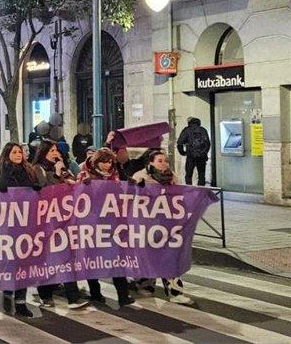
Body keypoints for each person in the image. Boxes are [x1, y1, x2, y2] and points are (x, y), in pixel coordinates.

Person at [131, 150, 194, 305]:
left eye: (165, 160)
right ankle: (145, 284)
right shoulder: (140, 176)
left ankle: (175, 292)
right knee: (149, 257)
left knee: (169, 258)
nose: (164, 163)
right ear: (150, 163)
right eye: (160, 160)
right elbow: (132, 197)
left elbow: (180, 198)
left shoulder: (172, 177)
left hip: (168, 224)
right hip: (148, 225)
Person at [0, 142, 39, 317]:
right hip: (5, 224)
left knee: (23, 261)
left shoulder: (29, 171)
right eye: (14, 152)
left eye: (20, 152)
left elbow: (37, 190)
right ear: (7, 154)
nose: (18, 155)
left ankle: (21, 302)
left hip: (25, 223)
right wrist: (0, 187)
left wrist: (37, 189)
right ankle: (8, 287)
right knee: (10, 260)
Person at [31, 141, 88, 309]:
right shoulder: (37, 169)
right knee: (48, 259)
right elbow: (42, 190)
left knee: (67, 257)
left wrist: (73, 179)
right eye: (51, 150)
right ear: (43, 152)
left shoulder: (62, 167)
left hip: (63, 219)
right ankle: (45, 294)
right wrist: (56, 175)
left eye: (56, 150)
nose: (55, 153)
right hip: (46, 220)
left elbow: (71, 184)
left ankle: (73, 297)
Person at [75, 148, 135, 306]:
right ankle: (95, 293)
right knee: (92, 260)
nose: (107, 165)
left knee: (117, 259)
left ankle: (123, 295)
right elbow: (76, 197)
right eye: (104, 162)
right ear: (96, 162)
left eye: (110, 162)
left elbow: (122, 194)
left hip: (112, 222)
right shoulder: (85, 175)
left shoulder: (115, 175)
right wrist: (85, 186)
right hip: (92, 223)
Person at [177, 117, 210, 186]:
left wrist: (183, 152)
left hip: (190, 156)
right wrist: (204, 152)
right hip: (201, 157)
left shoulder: (187, 130)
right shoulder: (203, 130)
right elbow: (208, 143)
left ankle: (189, 190)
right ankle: (201, 191)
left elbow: (180, 143)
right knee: (201, 175)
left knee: (188, 175)